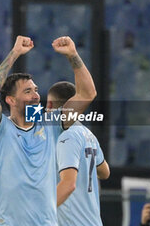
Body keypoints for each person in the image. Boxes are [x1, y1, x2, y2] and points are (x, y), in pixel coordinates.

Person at [0, 35, 97, 225]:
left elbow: (87, 93)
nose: (36, 95)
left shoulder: (49, 124)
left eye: (35, 90)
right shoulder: (0, 127)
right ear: (10, 100)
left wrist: (73, 55)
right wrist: (15, 53)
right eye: (28, 91)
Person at [47, 81, 110, 226]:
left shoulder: (66, 137)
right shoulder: (88, 135)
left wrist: (39, 210)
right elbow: (105, 172)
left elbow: (68, 184)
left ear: (50, 105)